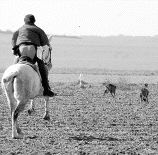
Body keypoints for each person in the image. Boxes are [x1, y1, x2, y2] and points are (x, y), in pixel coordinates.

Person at [12, 14, 56, 97]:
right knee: (42, 66)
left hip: (21, 48)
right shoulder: (38, 30)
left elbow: (13, 38)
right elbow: (45, 43)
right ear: (34, 21)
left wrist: (14, 48)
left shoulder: (19, 29)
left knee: (14, 65)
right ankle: (46, 89)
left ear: (24, 21)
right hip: (31, 49)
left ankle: (9, 83)